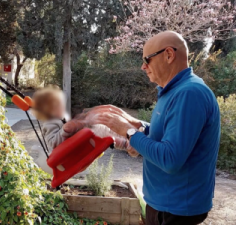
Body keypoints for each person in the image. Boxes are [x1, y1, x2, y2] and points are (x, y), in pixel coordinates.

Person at [91, 31, 220, 225]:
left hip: (176, 210)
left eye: (147, 60)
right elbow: (171, 134)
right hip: (163, 204)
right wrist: (140, 127)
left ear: (169, 55)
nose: (143, 66)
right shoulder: (173, 91)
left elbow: (170, 158)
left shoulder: (189, 93)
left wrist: (129, 132)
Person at [31, 86, 139, 174]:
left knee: (100, 127)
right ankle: (125, 143)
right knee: (98, 131)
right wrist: (64, 131)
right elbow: (52, 142)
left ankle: (125, 140)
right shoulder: (49, 123)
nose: (61, 108)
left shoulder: (60, 118)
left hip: (76, 145)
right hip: (68, 153)